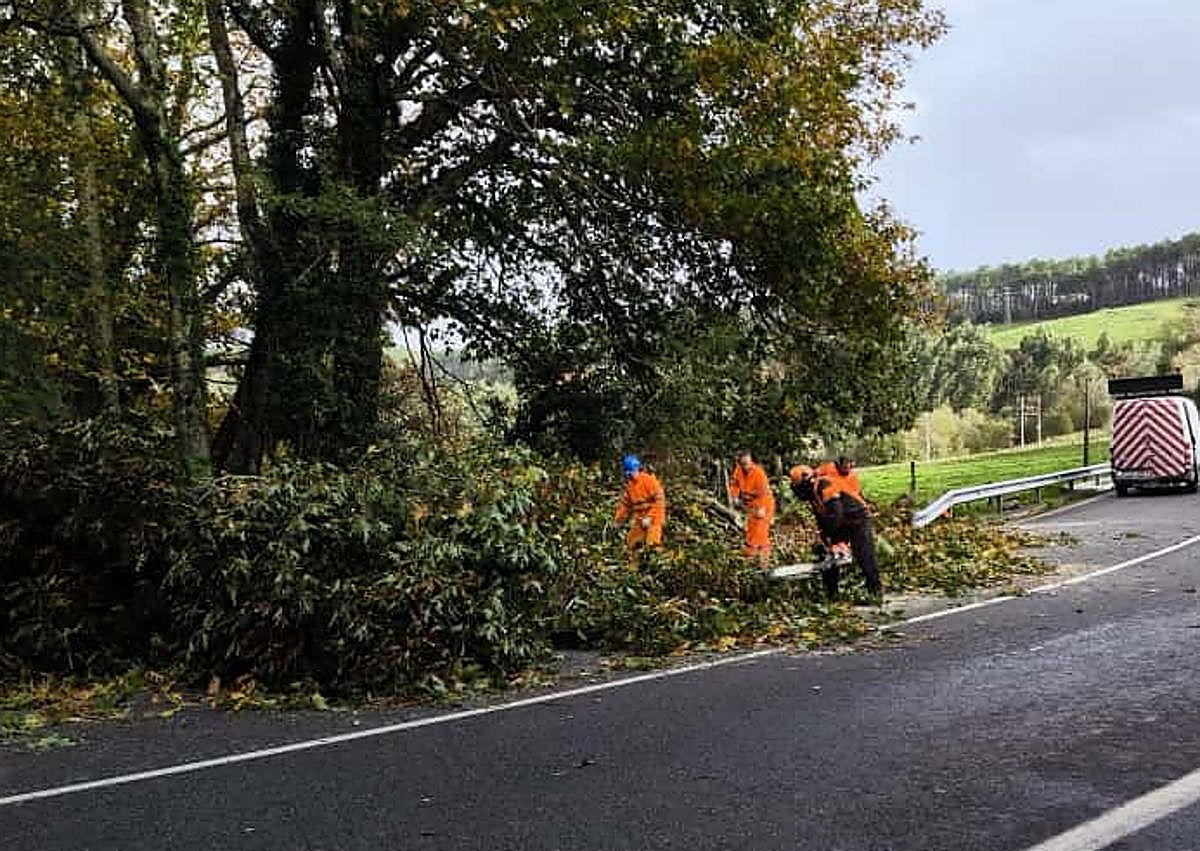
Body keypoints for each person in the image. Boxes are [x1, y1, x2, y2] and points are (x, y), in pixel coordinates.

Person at [789, 462, 881, 601]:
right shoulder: (814, 496)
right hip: (841, 522)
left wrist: (836, 541)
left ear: (805, 482)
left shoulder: (825, 485)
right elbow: (822, 519)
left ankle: (875, 591)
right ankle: (831, 594)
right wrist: (826, 540)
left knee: (864, 554)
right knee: (828, 557)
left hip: (857, 520)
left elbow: (836, 514)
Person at [729, 451, 775, 563]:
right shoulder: (738, 470)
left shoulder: (759, 473)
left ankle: (764, 562)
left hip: (764, 504)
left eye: (747, 463)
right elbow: (734, 484)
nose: (746, 466)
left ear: (751, 461)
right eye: (743, 464)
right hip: (751, 505)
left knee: (761, 532)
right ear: (739, 463)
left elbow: (763, 492)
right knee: (751, 530)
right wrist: (734, 496)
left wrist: (762, 508)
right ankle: (751, 559)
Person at [614, 454, 666, 549]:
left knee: (652, 545)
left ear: (637, 469)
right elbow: (625, 505)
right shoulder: (630, 487)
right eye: (627, 473)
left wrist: (650, 517)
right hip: (640, 519)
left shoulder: (648, 481)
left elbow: (659, 500)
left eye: (631, 472)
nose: (629, 475)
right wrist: (618, 520)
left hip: (654, 519)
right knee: (631, 544)